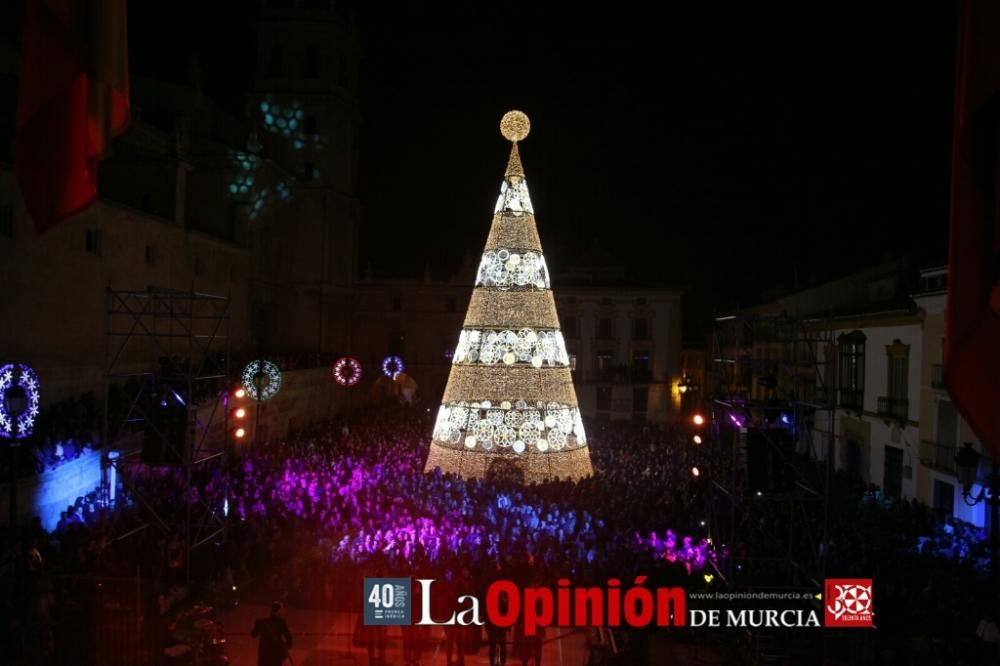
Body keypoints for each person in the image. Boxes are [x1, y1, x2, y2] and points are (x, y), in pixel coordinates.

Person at [251, 601, 293, 666]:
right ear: (279, 610)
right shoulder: (281, 622)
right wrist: (286, 647)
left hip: (264, 654)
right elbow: (289, 638)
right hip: (276, 655)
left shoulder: (261, 622)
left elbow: (253, 634)